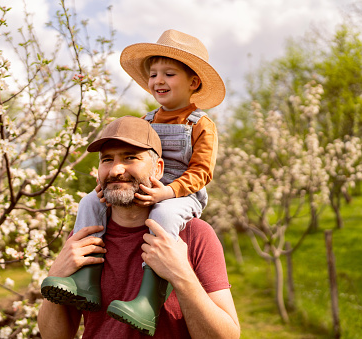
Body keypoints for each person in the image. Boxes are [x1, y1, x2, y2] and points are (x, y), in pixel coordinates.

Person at [41, 30, 225, 335]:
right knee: (88, 201)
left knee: (164, 214)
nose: (158, 80)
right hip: (154, 190)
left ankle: (148, 298)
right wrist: (59, 268)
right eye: (153, 74)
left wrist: (167, 192)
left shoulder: (201, 126)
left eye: (169, 73)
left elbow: (202, 172)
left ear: (194, 82)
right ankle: (84, 281)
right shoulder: (147, 122)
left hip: (181, 195)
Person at [38, 116, 239, 338]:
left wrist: (182, 275)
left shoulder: (195, 235)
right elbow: (54, 336)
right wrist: (56, 271)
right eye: (107, 160)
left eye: (130, 157)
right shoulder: (85, 235)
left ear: (158, 169)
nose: (115, 170)